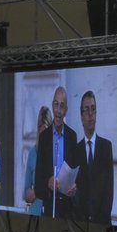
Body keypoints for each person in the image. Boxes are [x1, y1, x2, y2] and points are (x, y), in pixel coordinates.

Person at [33, 87, 80, 219]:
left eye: (62, 106)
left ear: (66, 110)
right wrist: (48, 182)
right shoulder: (44, 138)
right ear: (52, 105)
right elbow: (37, 184)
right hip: (49, 208)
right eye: (55, 104)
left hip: (68, 209)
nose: (58, 111)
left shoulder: (72, 136)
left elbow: (77, 176)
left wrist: (75, 187)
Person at [73, 91, 114, 223]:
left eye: (93, 109)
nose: (90, 114)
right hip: (81, 222)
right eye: (86, 110)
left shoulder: (106, 147)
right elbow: (75, 191)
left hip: (102, 223)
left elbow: (109, 190)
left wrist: (100, 221)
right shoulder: (76, 150)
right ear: (81, 117)